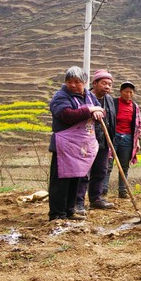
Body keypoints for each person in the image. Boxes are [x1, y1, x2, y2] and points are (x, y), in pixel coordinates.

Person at [48, 66, 104, 221]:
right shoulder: (60, 97)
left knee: (76, 178)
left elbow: (99, 110)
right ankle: (57, 214)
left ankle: (70, 210)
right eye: (69, 81)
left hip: (81, 146)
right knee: (61, 181)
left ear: (84, 82)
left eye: (77, 82)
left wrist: (99, 111)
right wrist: (90, 110)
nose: (72, 85)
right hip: (64, 146)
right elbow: (66, 115)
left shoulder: (89, 96)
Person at [75, 69, 117, 214]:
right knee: (83, 172)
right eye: (104, 83)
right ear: (95, 83)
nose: (107, 87)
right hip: (87, 141)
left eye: (110, 84)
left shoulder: (110, 100)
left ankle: (96, 199)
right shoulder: (85, 98)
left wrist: (111, 139)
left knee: (101, 171)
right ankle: (78, 202)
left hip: (104, 141)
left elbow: (112, 120)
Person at [103, 81, 141, 199]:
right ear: (121, 92)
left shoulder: (135, 107)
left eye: (131, 92)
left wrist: (137, 141)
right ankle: (103, 190)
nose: (128, 94)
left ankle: (122, 191)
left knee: (124, 166)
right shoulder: (113, 103)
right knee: (107, 164)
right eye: (126, 92)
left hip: (128, 139)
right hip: (113, 137)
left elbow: (138, 125)